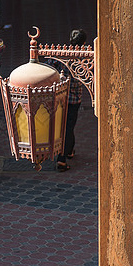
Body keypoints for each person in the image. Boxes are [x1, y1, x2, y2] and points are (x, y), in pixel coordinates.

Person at [47, 29, 87, 172]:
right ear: (83, 43)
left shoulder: (62, 53)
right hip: (74, 99)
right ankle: (62, 159)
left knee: (61, 125)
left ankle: (68, 151)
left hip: (59, 98)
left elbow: (49, 67)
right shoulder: (84, 57)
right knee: (68, 127)